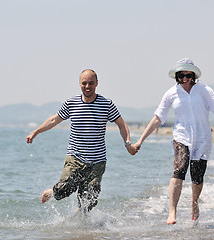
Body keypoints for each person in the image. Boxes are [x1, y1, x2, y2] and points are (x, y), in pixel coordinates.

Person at [132, 58, 214, 224]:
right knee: (180, 168)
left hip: (202, 138)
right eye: (181, 75)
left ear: (193, 75)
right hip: (181, 136)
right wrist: (140, 140)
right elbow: (158, 117)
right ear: (176, 76)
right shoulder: (171, 93)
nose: (184, 78)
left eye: (188, 75)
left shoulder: (204, 90)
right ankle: (172, 211)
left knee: (197, 177)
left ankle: (194, 203)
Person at [26, 69, 136, 213]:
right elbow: (54, 120)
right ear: (79, 84)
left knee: (89, 201)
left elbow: (121, 124)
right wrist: (36, 132)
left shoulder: (106, 104)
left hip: (97, 161)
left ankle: (80, 226)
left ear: (96, 83)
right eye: (84, 83)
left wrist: (127, 142)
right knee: (64, 188)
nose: (87, 86)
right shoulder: (71, 103)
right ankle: (52, 192)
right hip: (75, 157)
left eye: (91, 83)